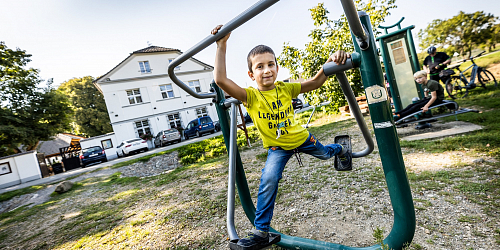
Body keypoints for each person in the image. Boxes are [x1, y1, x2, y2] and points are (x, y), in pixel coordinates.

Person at [211, 24, 352, 249]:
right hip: (278, 148)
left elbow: (315, 82)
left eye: (271, 65)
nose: (266, 70)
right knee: (268, 179)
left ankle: (340, 148)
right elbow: (220, 80)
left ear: (277, 67)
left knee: (326, 154)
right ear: (251, 74)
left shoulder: (286, 89)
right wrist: (221, 44)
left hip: (302, 138)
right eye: (260, 67)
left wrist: (331, 62)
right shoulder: (250, 96)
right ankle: (261, 231)